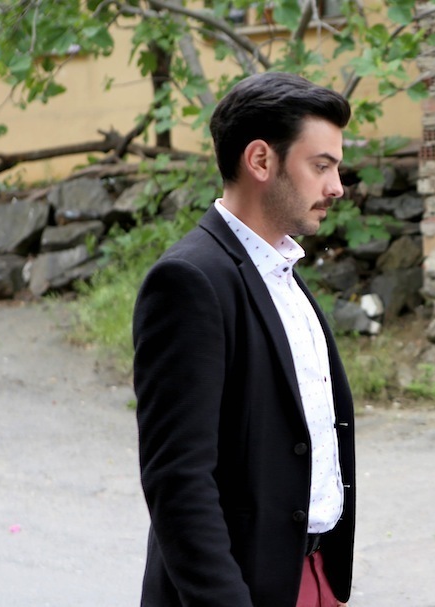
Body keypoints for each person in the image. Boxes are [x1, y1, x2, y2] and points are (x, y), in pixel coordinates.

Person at [132, 72, 355, 607]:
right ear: (260, 160)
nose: (337, 187)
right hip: (242, 589)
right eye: (321, 166)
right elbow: (178, 481)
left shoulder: (282, 271)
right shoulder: (189, 281)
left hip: (314, 574)